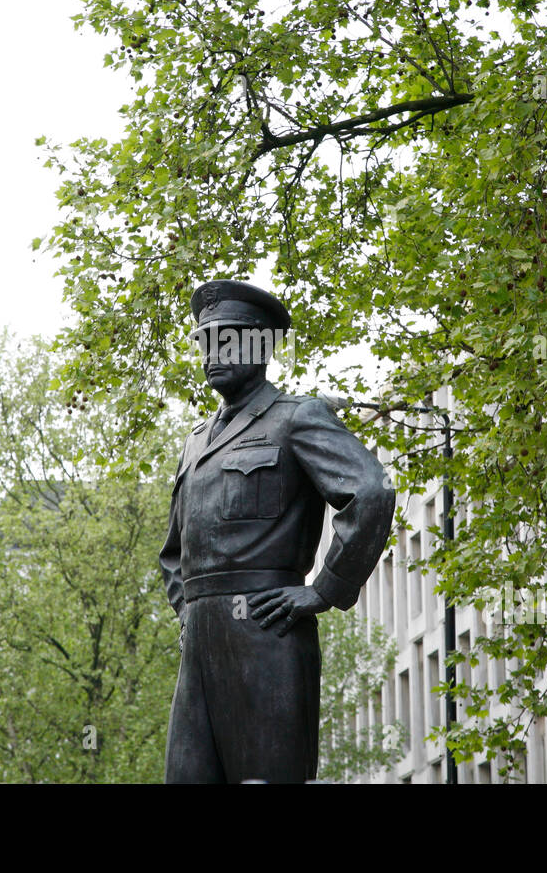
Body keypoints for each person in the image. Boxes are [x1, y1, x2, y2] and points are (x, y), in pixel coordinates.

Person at [159, 279, 395, 783]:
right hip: (200, 640)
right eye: (204, 342)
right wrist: (188, 614)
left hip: (266, 632)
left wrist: (325, 590)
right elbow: (175, 551)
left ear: (261, 348)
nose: (211, 353)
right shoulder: (195, 441)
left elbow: (370, 492)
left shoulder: (296, 418)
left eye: (227, 339)